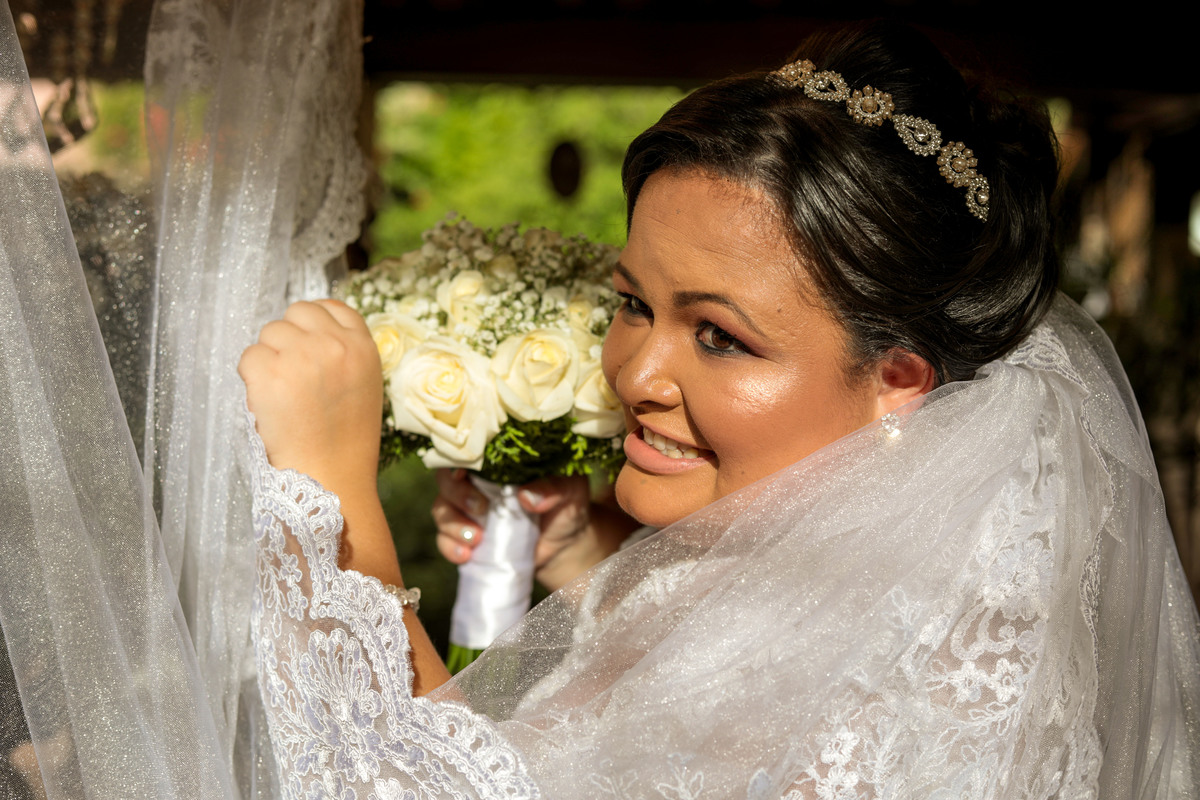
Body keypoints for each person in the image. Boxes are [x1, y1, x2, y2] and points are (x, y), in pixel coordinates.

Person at [239, 21, 1200, 799]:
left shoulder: (874, 677)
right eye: (632, 304)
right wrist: (581, 559)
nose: (637, 372)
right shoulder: (815, 575)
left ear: (898, 380)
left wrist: (328, 504)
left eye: (720, 337)